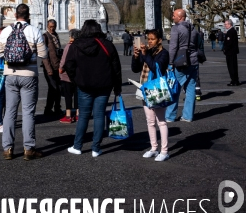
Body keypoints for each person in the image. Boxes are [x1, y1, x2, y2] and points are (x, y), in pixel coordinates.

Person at [0, 3, 49, 161]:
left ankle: (8, 149)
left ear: (15, 14)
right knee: (28, 112)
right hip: (29, 75)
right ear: (28, 15)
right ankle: (28, 148)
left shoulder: (6, 31)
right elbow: (43, 54)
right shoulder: (34, 30)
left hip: (10, 74)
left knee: (10, 112)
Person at [64, 19, 122, 157]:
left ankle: (78, 146)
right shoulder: (107, 45)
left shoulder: (76, 45)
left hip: (84, 85)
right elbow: (116, 68)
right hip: (104, 84)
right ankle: (96, 148)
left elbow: (69, 64)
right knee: (99, 115)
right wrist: (117, 86)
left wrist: (75, 79)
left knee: (83, 115)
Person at [131, 28, 170, 162]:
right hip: (145, 89)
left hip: (158, 90)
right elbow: (135, 69)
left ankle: (164, 151)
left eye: (152, 39)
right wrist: (136, 56)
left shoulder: (164, 53)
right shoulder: (146, 52)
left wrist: (145, 54)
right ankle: (154, 148)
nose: (149, 41)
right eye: (148, 39)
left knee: (161, 121)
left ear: (159, 40)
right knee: (150, 121)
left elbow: (156, 67)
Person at [165, 9, 199, 123]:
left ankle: (170, 116)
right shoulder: (193, 28)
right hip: (193, 61)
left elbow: (173, 47)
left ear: (180, 17)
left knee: (174, 89)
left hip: (181, 62)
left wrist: (170, 63)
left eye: (174, 15)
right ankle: (188, 116)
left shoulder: (176, 28)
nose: (172, 17)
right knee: (191, 89)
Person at [42, 19, 63, 116]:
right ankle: (48, 109)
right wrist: (48, 69)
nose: (52, 28)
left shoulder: (56, 35)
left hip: (57, 65)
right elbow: (44, 55)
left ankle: (57, 108)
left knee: (58, 88)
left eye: (54, 26)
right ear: (47, 26)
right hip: (49, 67)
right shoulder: (45, 36)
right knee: (53, 88)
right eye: (50, 27)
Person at [59, 29, 80, 123]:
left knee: (68, 95)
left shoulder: (69, 46)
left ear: (71, 36)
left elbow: (64, 59)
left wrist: (60, 69)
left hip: (67, 75)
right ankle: (78, 114)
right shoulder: (81, 45)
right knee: (77, 95)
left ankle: (68, 115)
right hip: (78, 74)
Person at [223, 19, 240, 86]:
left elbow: (229, 43)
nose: (225, 25)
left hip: (230, 52)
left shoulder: (230, 32)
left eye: (226, 24)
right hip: (232, 52)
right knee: (233, 66)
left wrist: (225, 50)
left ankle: (234, 80)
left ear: (229, 24)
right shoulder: (232, 31)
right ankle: (235, 80)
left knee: (231, 67)